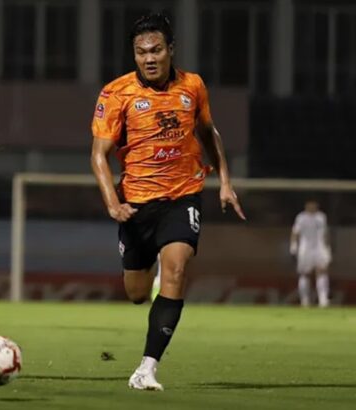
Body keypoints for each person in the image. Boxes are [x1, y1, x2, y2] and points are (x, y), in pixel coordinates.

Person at [90, 14, 246, 391]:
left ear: (170, 50)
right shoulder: (116, 94)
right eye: (141, 52)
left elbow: (209, 134)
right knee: (137, 294)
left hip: (183, 195)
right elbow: (99, 156)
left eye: (156, 50)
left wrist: (224, 183)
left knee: (176, 270)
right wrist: (113, 204)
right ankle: (154, 274)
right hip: (136, 203)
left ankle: (147, 368)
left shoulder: (193, 86)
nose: (149, 58)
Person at [290, 200, 331, 307]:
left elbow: (325, 233)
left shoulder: (321, 217)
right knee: (305, 274)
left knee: (322, 271)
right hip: (305, 248)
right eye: (310, 205)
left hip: (319, 247)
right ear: (306, 206)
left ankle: (323, 300)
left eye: (314, 205)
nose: (312, 207)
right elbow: (295, 232)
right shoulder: (301, 217)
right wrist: (293, 246)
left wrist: (327, 248)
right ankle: (304, 300)